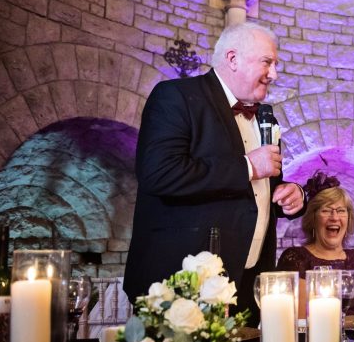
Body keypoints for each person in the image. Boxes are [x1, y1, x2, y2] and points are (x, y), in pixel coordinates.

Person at [124, 22, 306, 324]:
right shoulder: (176, 97)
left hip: (247, 289)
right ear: (232, 59)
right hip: (182, 288)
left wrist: (291, 195)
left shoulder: (263, 116)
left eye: (275, 65)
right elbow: (159, 172)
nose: (273, 74)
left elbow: (255, 187)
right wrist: (248, 166)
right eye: (267, 62)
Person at [277, 172, 354, 318]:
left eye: (341, 211)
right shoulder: (296, 259)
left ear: (348, 219)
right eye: (326, 210)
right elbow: (298, 325)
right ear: (313, 219)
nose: (334, 217)